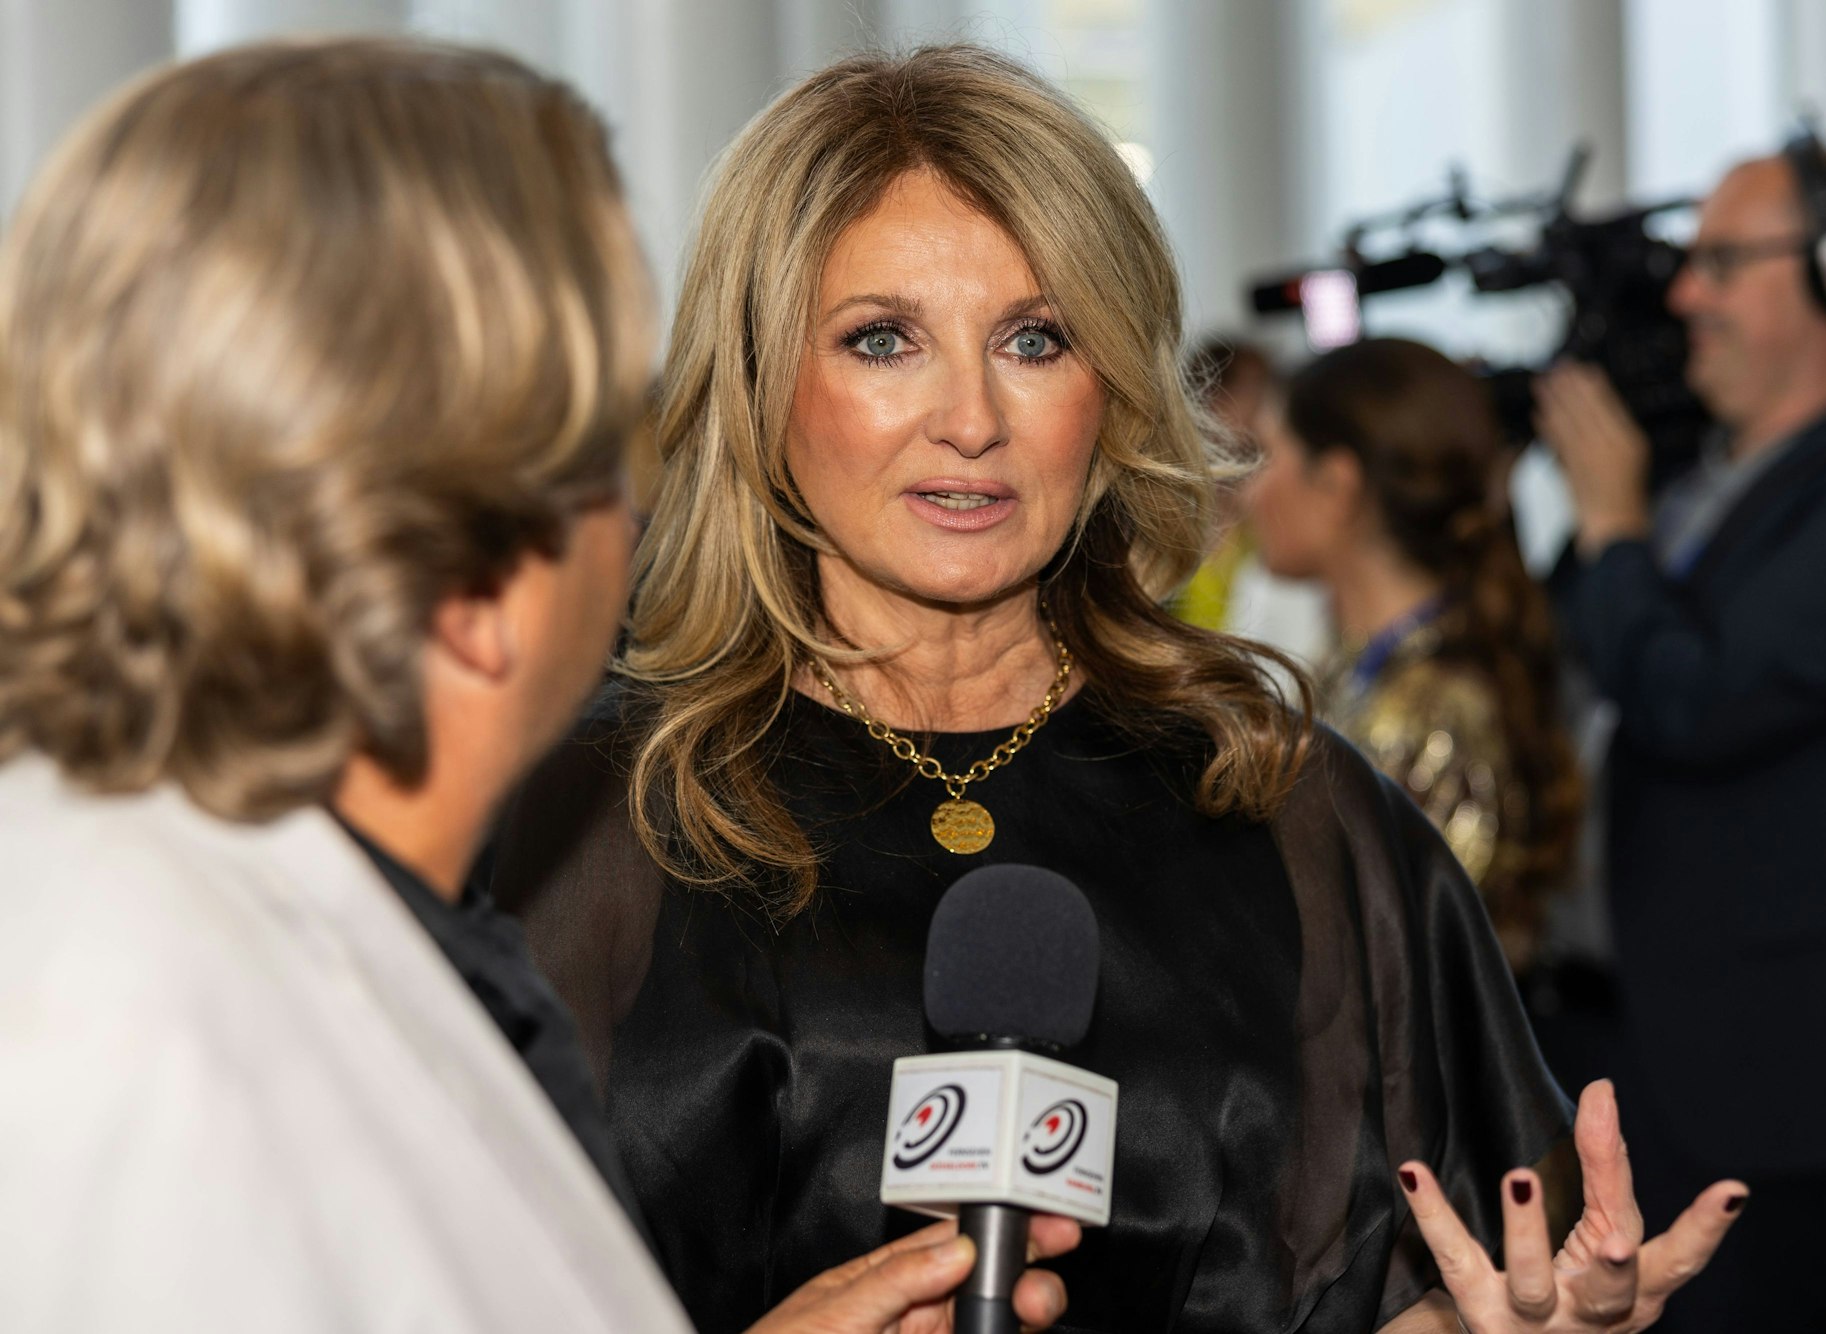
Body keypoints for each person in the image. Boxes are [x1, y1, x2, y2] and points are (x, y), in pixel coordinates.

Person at [488, 44, 1744, 1334]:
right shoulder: (581, 823)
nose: (969, 417)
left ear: (1113, 388)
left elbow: (1403, 1283)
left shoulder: (1291, 810)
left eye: (1034, 338)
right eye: (882, 339)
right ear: (758, 383)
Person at [0, 39, 1076, 1332]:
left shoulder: (283, 921)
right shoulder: (126, 1004)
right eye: (610, 429)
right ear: (483, 541)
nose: (634, 506)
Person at [1535, 140, 1826, 1332]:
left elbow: (1703, 700)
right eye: (1687, 264)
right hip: (1598, 1052)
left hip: (1771, 1101)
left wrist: (1610, 528)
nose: (1687, 294)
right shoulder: (1674, 480)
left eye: (1724, 262)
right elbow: (1557, 672)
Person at [1244, 338, 1582, 977]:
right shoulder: (1363, 669)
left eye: (1267, 457)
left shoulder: (1438, 711)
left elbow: (1390, 975)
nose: (1248, 492)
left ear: (1338, 486)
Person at [1172, 336, 1273, 630]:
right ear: (1209, 399)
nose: (1261, 415)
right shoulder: (1170, 501)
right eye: (1250, 394)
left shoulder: (1272, 501)